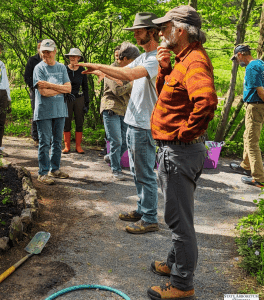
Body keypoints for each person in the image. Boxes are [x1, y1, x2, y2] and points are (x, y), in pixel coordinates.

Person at [147, 6, 218, 300]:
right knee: (179, 214)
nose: (160, 33)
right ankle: (174, 263)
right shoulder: (181, 60)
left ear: (180, 30)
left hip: (179, 152)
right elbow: (171, 99)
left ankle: (182, 285)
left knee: (179, 222)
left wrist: (183, 135)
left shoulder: (195, 61)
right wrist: (163, 70)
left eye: (165, 28)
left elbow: (207, 102)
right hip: (176, 151)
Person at [79, 12, 160, 234]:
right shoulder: (143, 56)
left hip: (144, 124)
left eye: (139, 31)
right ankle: (143, 209)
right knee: (136, 171)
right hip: (133, 121)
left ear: (152, 32)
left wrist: (99, 65)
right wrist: (100, 70)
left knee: (145, 173)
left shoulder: (156, 58)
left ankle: (151, 217)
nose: (135, 35)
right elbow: (122, 72)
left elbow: (131, 75)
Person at [33, 39, 71, 185]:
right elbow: (43, 92)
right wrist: (60, 88)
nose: (46, 55)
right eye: (43, 52)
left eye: (48, 52)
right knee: (44, 142)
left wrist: (49, 85)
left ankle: (54, 169)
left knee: (57, 141)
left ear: (55, 51)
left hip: (60, 110)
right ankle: (42, 173)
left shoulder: (62, 68)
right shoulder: (39, 68)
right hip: (44, 111)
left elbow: (68, 89)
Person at [101, 42, 140, 180]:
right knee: (116, 140)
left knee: (125, 140)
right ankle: (116, 170)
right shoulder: (111, 69)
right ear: (124, 58)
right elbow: (117, 91)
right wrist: (131, 84)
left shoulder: (129, 70)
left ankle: (111, 157)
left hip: (124, 109)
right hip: (111, 108)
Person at [229, 44, 264, 188]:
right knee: (247, 136)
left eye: (237, 58)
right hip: (256, 105)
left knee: (252, 142)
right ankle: (245, 166)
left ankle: (259, 178)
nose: (238, 61)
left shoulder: (251, 67)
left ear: (240, 54)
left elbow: (260, 91)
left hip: (255, 105)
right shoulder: (261, 63)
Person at [62, 48, 89, 154]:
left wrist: (87, 103)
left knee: (79, 121)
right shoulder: (64, 69)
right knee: (66, 121)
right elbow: (61, 84)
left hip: (78, 98)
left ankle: (78, 146)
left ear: (79, 58)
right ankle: (67, 146)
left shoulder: (82, 70)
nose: (73, 58)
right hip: (67, 98)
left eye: (75, 56)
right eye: (71, 56)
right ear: (68, 58)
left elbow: (85, 88)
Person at [24, 40, 43, 147]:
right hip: (35, 90)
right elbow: (27, 76)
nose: (40, 49)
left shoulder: (50, 60)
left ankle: (46, 137)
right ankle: (36, 138)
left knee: (47, 113)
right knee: (36, 112)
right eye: (38, 47)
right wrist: (35, 86)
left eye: (42, 46)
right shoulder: (32, 60)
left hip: (48, 90)